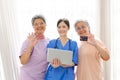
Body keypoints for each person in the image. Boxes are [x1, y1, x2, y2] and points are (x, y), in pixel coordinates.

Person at [19, 15, 49, 80]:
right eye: (36, 24)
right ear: (33, 27)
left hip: (42, 77)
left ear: (46, 24)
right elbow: (23, 61)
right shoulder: (28, 41)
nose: (39, 26)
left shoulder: (49, 41)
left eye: (41, 23)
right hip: (28, 76)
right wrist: (31, 45)